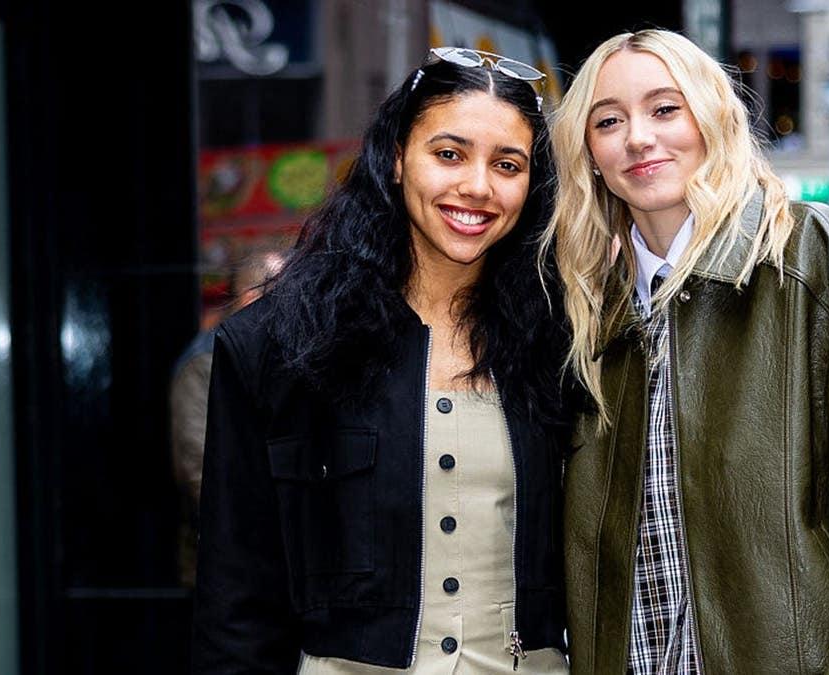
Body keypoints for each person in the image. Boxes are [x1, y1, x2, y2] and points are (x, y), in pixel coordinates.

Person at [542, 29, 829, 674]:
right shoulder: (592, 313)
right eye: (608, 120)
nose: (638, 137)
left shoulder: (815, 259)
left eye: (665, 109)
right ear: (588, 151)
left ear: (714, 117)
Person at [191, 49, 575, 674]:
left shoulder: (564, 343)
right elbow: (237, 595)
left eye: (507, 165)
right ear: (397, 158)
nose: (477, 186)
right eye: (448, 154)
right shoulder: (281, 345)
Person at [171, 247, 286, 588]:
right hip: (230, 566)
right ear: (253, 299)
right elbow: (200, 471)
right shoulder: (206, 361)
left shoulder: (268, 356)